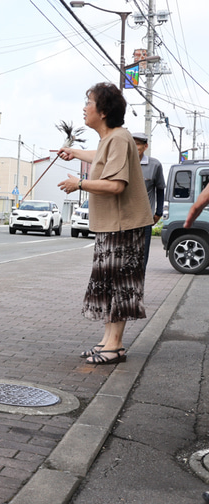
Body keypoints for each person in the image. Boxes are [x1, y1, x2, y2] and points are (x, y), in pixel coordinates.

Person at [57, 82, 153, 365]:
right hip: (113, 225)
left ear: (103, 110)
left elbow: (115, 185)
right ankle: (108, 342)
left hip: (124, 225)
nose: (84, 107)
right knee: (110, 284)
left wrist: (80, 184)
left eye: (89, 102)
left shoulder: (120, 138)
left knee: (121, 285)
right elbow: (100, 158)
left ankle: (115, 345)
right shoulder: (111, 139)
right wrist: (74, 153)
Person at [131, 132, 166, 267]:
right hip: (124, 218)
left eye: (138, 144)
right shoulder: (122, 162)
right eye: (132, 144)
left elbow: (160, 188)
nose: (134, 147)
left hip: (144, 219)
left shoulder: (154, 165)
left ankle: (139, 285)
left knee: (142, 257)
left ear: (145, 146)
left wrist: (158, 212)